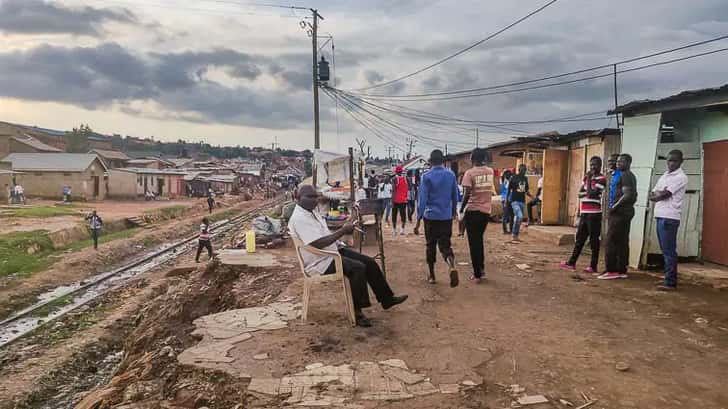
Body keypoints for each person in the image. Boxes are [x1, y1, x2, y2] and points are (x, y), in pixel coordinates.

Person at [289, 185, 408, 327]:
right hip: (320, 261)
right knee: (357, 268)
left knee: (369, 262)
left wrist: (341, 240)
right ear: (298, 198)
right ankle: (357, 312)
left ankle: (387, 299)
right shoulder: (300, 218)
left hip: (331, 252)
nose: (314, 200)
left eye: (315, 196)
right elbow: (318, 244)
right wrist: (342, 231)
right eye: (309, 197)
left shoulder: (311, 211)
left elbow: (324, 234)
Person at [414, 150, 459, 287]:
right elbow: (455, 196)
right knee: (445, 244)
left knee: (430, 245)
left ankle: (432, 275)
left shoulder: (426, 176)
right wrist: (453, 213)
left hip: (431, 216)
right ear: (442, 161)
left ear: (431, 162)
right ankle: (451, 264)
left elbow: (422, 201)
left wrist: (417, 221)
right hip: (445, 216)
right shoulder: (450, 175)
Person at [560, 156, 607, 274]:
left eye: (595, 165)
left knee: (594, 240)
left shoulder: (602, 179)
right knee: (580, 239)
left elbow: (591, 194)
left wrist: (590, 182)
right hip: (584, 213)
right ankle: (571, 263)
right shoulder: (587, 178)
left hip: (594, 214)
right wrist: (589, 188)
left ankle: (593, 266)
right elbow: (579, 194)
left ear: (600, 165)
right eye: (591, 165)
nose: (592, 167)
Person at [649, 150, 688, 291]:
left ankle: (670, 282)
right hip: (660, 215)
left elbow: (663, 195)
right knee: (665, 250)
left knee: (669, 251)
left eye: (674, 161)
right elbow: (653, 194)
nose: (671, 163)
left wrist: (659, 194)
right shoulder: (665, 175)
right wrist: (658, 194)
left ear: (680, 161)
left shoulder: (681, 177)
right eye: (669, 160)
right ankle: (667, 279)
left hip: (669, 217)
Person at [459, 148, 495, 283]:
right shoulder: (490, 171)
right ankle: (481, 268)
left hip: (473, 211)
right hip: (486, 211)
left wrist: (461, 209)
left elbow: (467, 194)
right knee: (479, 241)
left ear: (472, 158)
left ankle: (477, 273)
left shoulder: (469, 173)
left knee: (474, 243)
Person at [600, 153, 637, 280]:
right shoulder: (628, 175)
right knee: (622, 241)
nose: (618, 163)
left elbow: (627, 195)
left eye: (621, 161)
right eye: (618, 161)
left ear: (628, 163)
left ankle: (611, 270)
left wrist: (614, 207)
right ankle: (621, 269)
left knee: (611, 241)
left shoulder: (625, 175)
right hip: (625, 212)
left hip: (620, 213)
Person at [507, 164, 530, 243]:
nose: (524, 171)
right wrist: (507, 200)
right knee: (519, 216)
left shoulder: (525, 178)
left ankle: (515, 236)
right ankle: (514, 234)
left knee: (518, 218)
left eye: (525, 170)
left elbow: (526, 190)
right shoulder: (513, 177)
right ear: (519, 170)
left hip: (522, 201)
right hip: (514, 200)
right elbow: (509, 189)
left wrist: (532, 197)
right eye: (523, 169)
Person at [391, 165, 409, 235]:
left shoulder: (394, 179)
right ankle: (402, 229)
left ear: (396, 172)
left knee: (394, 215)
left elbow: (393, 190)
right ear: (401, 171)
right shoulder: (405, 179)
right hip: (403, 200)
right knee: (403, 214)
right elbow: (408, 188)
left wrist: (392, 200)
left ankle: (394, 230)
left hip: (396, 200)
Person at [500, 170, 513, 234]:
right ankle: (507, 230)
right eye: (509, 174)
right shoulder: (506, 182)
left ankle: (507, 230)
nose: (510, 176)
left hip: (505, 199)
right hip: (507, 200)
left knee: (506, 215)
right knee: (508, 216)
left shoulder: (503, 181)